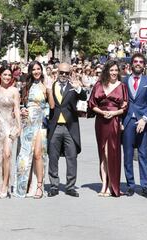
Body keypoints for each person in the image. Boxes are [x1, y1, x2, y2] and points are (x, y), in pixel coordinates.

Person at [88, 60, 128, 197]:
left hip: (114, 121)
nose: (114, 73)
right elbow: (92, 103)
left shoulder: (122, 86)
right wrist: (102, 112)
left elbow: (125, 106)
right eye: (111, 70)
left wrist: (114, 113)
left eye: (116, 70)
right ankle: (104, 184)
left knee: (111, 152)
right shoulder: (99, 85)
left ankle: (112, 184)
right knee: (102, 154)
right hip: (100, 121)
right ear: (107, 71)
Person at [14, 61, 54, 198]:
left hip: (40, 123)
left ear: (41, 70)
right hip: (27, 123)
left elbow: (52, 106)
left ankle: (38, 186)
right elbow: (20, 104)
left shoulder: (45, 86)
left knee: (38, 154)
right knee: (24, 155)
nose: (36, 71)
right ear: (30, 71)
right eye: (34, 69)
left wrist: (49, 90)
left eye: (38, 69)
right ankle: (23, 185)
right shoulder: (26, 87)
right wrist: (22, 110)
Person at [47, 62, 87, 198]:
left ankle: (70, 186)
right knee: (53, 157)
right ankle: (54, 185)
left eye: (66, 73)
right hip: (55, 126)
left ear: (70, 73)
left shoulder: (73, 86)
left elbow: (84, 98)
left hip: (70, 127)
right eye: (61, 72)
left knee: (72, 157)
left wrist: (78, 88)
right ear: (57, 72)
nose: (63, 75)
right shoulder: (51, 86)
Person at [122, 53, 147, 198]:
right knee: (128, 155)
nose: (138, 64)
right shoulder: (123, 80)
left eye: (141, 62)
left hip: (142, 122)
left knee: (143, 155)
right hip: (128, 121)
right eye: (135, 61)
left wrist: (145, 118)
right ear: (131, 64)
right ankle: (130, 185)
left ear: (144, 65)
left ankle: (145, 186)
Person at [0, 66, 21, 198]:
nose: (7, 77)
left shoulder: (14, 91)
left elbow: (17, 109)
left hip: (8, 127)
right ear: (0, 75)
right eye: (5, 74)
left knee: (7, 155)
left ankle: (5, 185)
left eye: (9, 75)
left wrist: (18, 126)